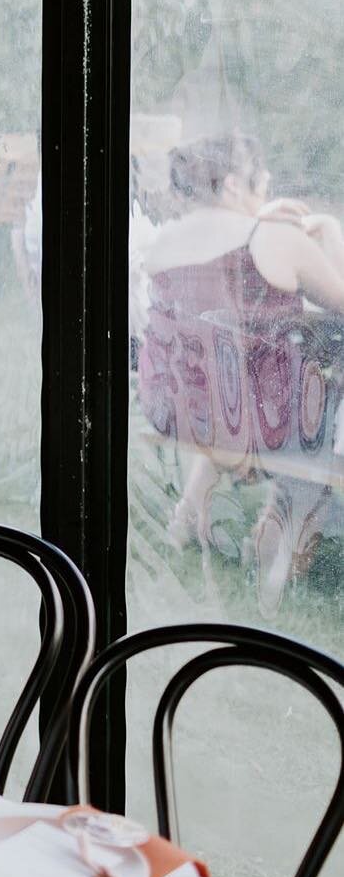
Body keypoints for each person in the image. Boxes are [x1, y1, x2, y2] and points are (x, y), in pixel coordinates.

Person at [137, 133, 344, 614]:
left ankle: (187, 516)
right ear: (232, 184)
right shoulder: (271, 238)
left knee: (242, 380)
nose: (269, 183)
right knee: (317, 402)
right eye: (262, 176)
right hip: (249, 422)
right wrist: (329, 228)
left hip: (174, 407)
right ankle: (282, 532)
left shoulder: (167, 237)